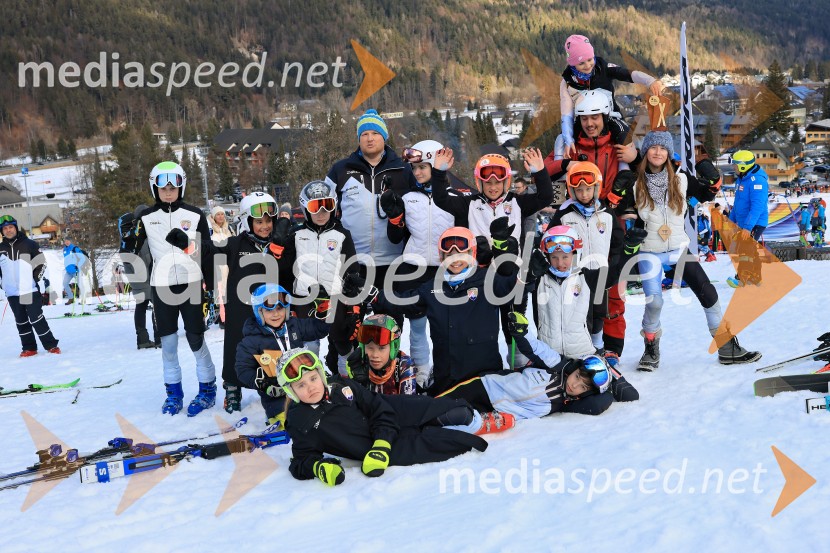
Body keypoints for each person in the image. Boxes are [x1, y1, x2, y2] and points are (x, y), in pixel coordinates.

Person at [279, 348, 513, 487]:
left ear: (321, 375)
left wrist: (382, 441)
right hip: (378, 448)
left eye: (313, 379)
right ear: (291, 392)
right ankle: (478, 428)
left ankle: (476, 419)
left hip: (391, 414)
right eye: (301, 385)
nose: (310, 387)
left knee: (453, 410)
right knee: (444, 441)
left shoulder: (340, 385)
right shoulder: (300, 422)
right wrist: (318, 468)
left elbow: (376, 405)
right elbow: (300, 460)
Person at [630, 132, 761, 370]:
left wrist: (714, 180)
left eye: (663, 148)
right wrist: (631, 236)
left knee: (708, 292)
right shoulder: (635, 182)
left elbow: (706, 194)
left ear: (669, 153)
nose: (658, 152)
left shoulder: (682, 179)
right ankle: (650, 349)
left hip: (677, 248)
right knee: (654, 302)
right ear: (645, 152)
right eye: (653, 148)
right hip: (650, 250)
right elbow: (624, 212)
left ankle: (727, 347)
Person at [431, 148, 553, 360]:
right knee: (480, 325)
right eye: (488, 183)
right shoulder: (469, 204)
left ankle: (517, 361)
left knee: (513, 323)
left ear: (506, 182)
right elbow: (441, 199)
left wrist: (540, 172)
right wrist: (439, 173)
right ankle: (480, 362)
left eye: (498, 182)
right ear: (479, 183)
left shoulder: (517, 202)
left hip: (510, 276)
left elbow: (546, 197)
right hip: (479, 277)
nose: (493, 187)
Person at [544, 90, 640, 358]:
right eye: (584, 118)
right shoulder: (570, 143)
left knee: (613, 289)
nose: (590, 123)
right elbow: (544, 170)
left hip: (608, 215)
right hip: (576, 215)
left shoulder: (617, 142)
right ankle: (582, 347)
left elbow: (647, 167)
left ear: (605, 117)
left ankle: (613, 349)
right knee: (580, 292)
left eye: (595, 117)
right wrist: (566, 163)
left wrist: (634, 158)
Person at [371, 223, 520, 394]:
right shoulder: (433, 287)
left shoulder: (488, 280)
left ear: (472, 253)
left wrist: (521, 269)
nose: (455, 260)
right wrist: (374, 295)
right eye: (449, 254)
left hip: (484, 378)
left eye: (461, 254)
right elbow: (403, 301)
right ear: (442, 257)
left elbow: (513, 287)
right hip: (447, 380)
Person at [123, 161, 217, 416]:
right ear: (154, 188)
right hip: (162, 285)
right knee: (169, 343)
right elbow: (132, 252)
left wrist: (211, 288)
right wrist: (126, 240)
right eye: (162, 188)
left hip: (191, 283)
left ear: (181, 187)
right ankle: (174, 395)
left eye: (173, 187)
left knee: (196, 339)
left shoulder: (195, 214)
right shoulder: (146, 217)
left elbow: (207, 252)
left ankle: (207, 390)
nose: (168, 192)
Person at [438, 312, 638, 419]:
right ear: (575, 368)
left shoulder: (568, 402)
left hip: (492, 413)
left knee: (443, 418)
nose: (574, 385)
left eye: (583, 387)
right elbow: (536, 348)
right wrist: (521, 332)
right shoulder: (558, 366)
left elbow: (611, 401)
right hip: (485, 388)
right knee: (437, 405)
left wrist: (610, 378)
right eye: (577, 376)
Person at [200, 191, 290, 414]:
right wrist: (192, 245)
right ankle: (232, 387)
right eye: (259, 222)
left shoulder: (280, 243)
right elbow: (213, 250)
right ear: (247, 222)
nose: (265, 226)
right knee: (236, 345)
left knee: (271, 344)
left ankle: (273, 383)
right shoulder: (236, 243)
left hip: (271, 307)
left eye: (269, 221)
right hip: (241, 306)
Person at [381, 140, 458, 387]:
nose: (417, 172)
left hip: (444, 270)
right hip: (413, 269)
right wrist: (394, 217)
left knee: (444, 327)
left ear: (437, 165)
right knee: (417, 325)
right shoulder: (408, 198)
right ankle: (420, 371)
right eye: (414, 168)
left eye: (423, 166)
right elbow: (395, 238)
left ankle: (446, 372)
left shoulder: (455, 197)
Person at [326, 109, 418, 297]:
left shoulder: (403, 169)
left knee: (391, 313)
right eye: (364, 134)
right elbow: (324, 209)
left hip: (395, 261)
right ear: (358, 139)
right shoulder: (340, 169)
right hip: (353, 261)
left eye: (375, 133)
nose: (370, 139)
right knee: (355, 313)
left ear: (384, 137)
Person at [270, 179, 358, 375]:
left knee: (343, 344)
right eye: (315, 207)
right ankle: (313, 380)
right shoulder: (296, 234)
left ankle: (348, 382)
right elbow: (282, 270)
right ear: (305, 208)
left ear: (334, 206)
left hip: (334, 298)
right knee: (309, 346)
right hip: (304, 298)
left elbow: (352, 269)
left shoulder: (342, 234)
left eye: (327, 205)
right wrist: (277, 248)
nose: (321, 212)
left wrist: (353, 304)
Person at [548, 162, 626, 361]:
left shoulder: (606, 213)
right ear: (572, 190)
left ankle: (597, 347)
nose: (584, 194)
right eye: (579, 190)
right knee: (578, 313)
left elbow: (617, 241)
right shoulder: (565, 214)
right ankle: (577, 351)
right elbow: (551, 239)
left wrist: (615, 263)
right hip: (576, 275)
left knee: (598, 312)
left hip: (600, 272)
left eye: (588, 189)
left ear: (596, 188)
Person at [234, 284, 331, 426]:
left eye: (279, 308)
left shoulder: (294, 325)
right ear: (259, 312)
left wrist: (324, 310)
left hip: (304, 386)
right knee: (293, 423)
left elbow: (319, 329)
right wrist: (261, 382)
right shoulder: (252, 340)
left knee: (325, 415)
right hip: (278, 398)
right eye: (269, 310)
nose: (275, 314)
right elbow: (242, 369)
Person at [559, 34, 665, 154]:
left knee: (625, 139)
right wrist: (568, 139)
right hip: (584, 121)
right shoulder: (567, 83)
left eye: (590, 60)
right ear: (573, 64)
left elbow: (627, 74)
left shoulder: (603, 68)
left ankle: (630, 163)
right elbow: (566, 114)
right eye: (581, 63)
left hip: (610, 116)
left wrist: (649, 81)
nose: (588, 66)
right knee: (561, 141)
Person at [0, 215, 61, 357]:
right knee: (21, 321)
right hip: (12, 293)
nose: (8, 230)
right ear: (2, 231)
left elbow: (41, 263)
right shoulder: (0, 248)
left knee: (36, 318)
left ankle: (51, 345)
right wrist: (3, 284)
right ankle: (29, 348)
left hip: (29, 290)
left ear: (16, 228)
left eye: (11, 227)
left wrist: (33, 279)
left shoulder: (29, 244)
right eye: (5, 228)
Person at [344, 313, 416, 396]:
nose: (375, 355)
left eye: (381, 348)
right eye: (370, 348)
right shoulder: (358, 364)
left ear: (393, 348)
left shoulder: (404, 365)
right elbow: (349, 401)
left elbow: (408, 402)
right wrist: (357, 383)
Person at [726, 150, 768, 287]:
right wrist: (731, 221)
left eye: (735, 165)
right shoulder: (742, 179)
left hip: (755, 222)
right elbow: (738, 203)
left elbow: (757, 206)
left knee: (745, 249)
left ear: (743, 166)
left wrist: (748, 227)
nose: (733, 167)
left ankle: (741, 279)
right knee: (751, 250)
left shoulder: (758, 181)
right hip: (745, 222)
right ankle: (756, 278)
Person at [118, 204, 158, 349]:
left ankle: (143, 339)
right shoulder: (138, 233)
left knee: (142, 305)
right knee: (155, 305)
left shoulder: (130, 236)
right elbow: (145, 256)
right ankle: (158, 337)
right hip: (144, 275)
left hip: (138, 275)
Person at [208, 206, 234, 328]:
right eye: (217, 214)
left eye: (222, 214)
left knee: (230, 291)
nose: (220, 217)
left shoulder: (229, 229)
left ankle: (230, 315)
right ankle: (223, 319)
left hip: (229, 264)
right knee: (220, 292)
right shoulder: (209, 229)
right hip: (217, 264)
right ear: (213, 216)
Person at [62, 238, 92, 310]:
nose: (67, 242)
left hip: (76, 270)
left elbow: (82, 258)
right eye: (65, 241)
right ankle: (71, 298)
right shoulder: (64, 250)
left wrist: (78, 265)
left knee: (80, 285)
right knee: (65, 284)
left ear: (70, 241)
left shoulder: (75, 248)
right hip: (68, 271)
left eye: (68, 241)